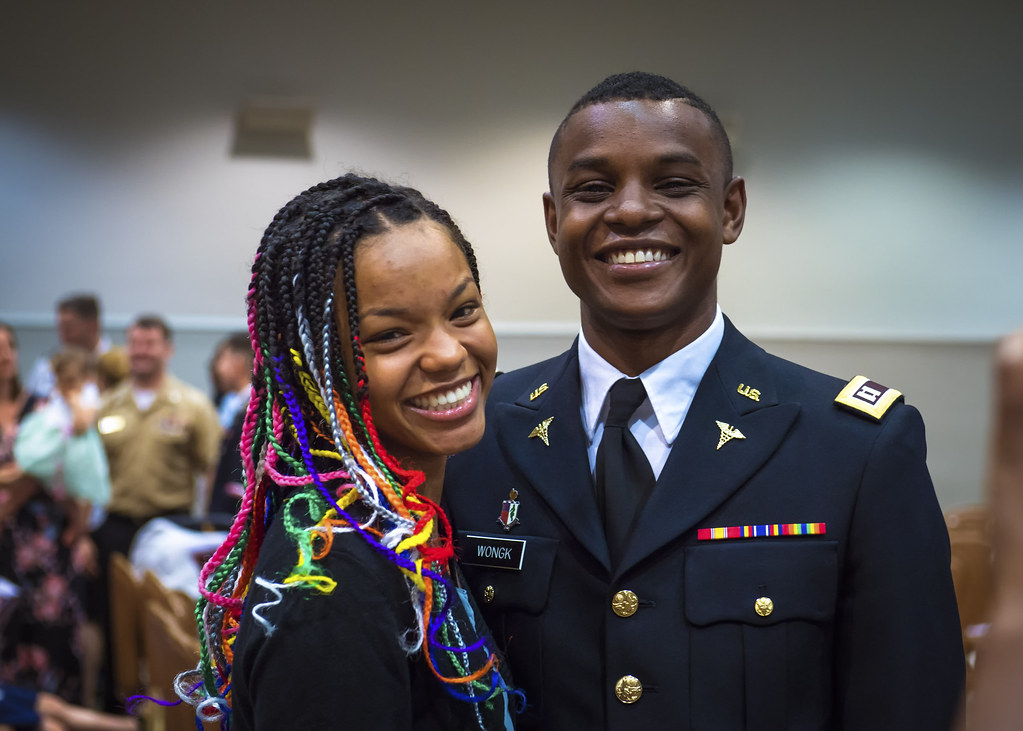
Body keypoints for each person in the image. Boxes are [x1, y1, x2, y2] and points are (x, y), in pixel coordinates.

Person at [443, 72, 964, 730]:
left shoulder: (857, 448)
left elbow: (909, 706)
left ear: (730, 210)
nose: (631, 211)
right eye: (593, 189)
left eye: (674, 183)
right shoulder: (470, 436)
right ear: (553, 221)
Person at [187, 174, 517, 730]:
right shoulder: (329, 587)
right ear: (311, 363)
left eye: (463, 311)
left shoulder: (400, 523)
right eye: (391, 335)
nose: (447, 353)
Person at [88, 315, 220, 710]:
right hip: (115, 528)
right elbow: (88, 472)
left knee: (168, 621)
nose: (140, 351)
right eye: (134, 343)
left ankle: (170, 706)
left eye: (149, 343)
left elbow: (211, 469)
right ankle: (121, 707)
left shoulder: (192, 405)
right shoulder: (107, 405)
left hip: (169, 529)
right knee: (116, 620)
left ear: (167, 349)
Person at [0, 331, 91, 707]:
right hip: (5, 543)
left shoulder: (40, 405)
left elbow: (50, 465)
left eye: (8, 346)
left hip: (42, 536)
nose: (3, 355)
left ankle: (57, 713)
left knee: (50, 627)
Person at [26, 295, 110, 402]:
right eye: (60, 328)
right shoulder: (46, 366)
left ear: (93, 326)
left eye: (69, 328)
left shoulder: (117, 364)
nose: (64, 336)